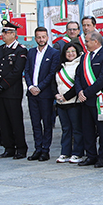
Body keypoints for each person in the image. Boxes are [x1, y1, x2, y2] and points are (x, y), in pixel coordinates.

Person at [66, 30, 103, 167]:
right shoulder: (84, 57)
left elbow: (102, 80)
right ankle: (91, 155)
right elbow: (78, 76)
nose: (85, 43)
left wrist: (86, 92)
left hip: (99, 100)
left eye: (87, 41)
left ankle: (102, 157)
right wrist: (80, 91)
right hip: (85, 100)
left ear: (96, 42)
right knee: (87, 129)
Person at [0, 21, 29, 159]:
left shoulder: (20, 50)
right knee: (3, 121)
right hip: (0, 91)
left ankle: (20, 147)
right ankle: (8, 147)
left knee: (15, 120)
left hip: (12, 91)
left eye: (5, 32)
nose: (3, 35)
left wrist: (3, 84)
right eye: (3, 32)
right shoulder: (0, 49)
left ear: (13, 34)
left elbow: (16, 71)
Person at [25, 26, 61, 161]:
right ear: (35, 38)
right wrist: (30, 86)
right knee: (35, 123)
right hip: (32, 94)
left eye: (43, 37)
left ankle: (46, 150)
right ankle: (37, 148)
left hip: (45, 94)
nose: (41, 39)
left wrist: (39, 87)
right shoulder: (31, 52)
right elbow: (27, 70)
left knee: (47, 123)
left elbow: (52, 73)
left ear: (47, 37)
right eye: (39, 37)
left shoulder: (53, 53)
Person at [54, 41, 85, 163]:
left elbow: (77, 84)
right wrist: (56, 94)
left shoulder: (80, 65)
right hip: (61, 103)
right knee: (66, 129)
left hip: (74, 102)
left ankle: (77, 153)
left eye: (73, 51)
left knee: (77, 129)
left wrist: (66, 96)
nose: (70, 54)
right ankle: (65, 152)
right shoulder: (60, 66)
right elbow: (54, 82)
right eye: (68, 51)